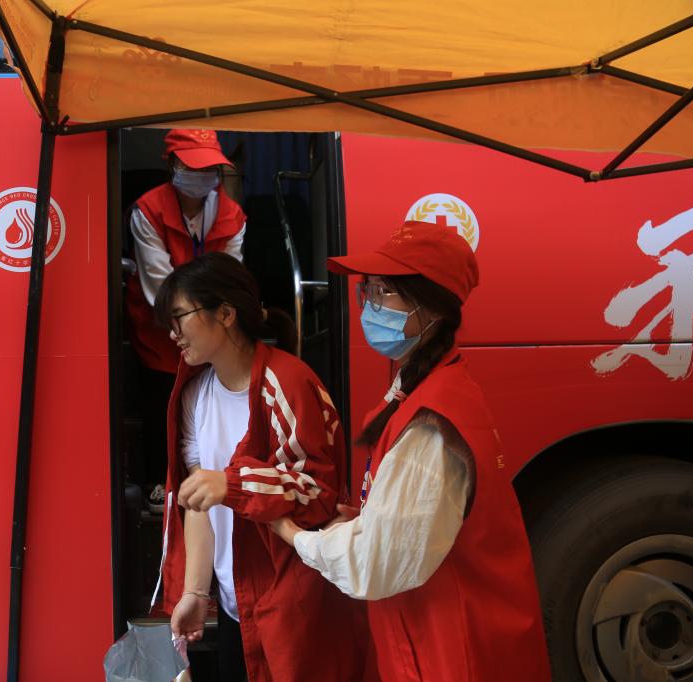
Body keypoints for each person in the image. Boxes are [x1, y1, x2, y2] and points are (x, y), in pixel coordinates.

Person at [269, 221, 551, 681]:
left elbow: (374, 563)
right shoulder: (429, 388)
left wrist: (291, 534)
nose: (370, 306)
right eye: (367, 291)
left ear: (432, 307)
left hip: (451, 653)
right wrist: (368, 517)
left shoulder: (430, 423)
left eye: (384, 293)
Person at [153, 252, 368, 682]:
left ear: (226, 313)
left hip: (295, 601)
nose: (173, 333)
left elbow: (316, 491)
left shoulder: (288, 382)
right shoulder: (195, 395)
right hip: (237, 603)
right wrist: (195, 591)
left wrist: (233, 484)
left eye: (179, 317)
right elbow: (198, 500)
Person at [125, 129, 246, 513]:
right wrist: (202, 317)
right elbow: (159, 286)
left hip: (212, 325)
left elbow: (230, 277)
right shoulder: (147, 211)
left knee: (209, 401)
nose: (202, 175)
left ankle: (212, 478)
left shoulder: (232, 215)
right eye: (193, 167)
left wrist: (211, 325)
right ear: (173, 166)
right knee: (162, 401)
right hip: (160, 327)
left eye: (210, 168)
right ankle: (158, 482)